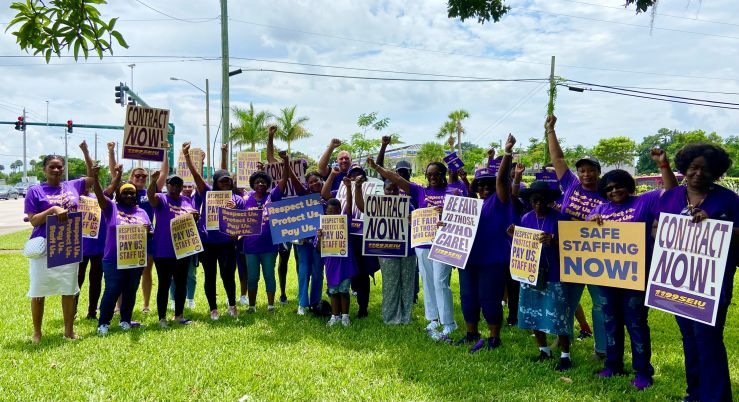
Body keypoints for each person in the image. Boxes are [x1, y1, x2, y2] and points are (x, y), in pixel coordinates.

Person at [651, 143, 738, 401]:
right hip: (678, 283)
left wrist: (716, 227)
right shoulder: (670, 197)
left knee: (708, 340)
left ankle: (716, 397)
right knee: (688, 338)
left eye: (706, 169)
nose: (699, 174)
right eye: (693, 168)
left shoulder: (729, 200)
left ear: (717, 173)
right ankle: (695, 393)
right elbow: (656, 226)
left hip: (713, 283)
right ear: (685, 169)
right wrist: (660, 232)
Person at [588, 148, 677, 390]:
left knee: (636, 324)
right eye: (608, 189)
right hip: (606, 279)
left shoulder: (644, 202)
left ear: (628, 186)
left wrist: (663, 166)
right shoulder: (600, 209)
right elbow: (586, 237)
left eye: (618, 186)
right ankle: (613, 364)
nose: (614, 191)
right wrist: (590, 223)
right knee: (610, 322)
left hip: (636, 279)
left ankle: (643, 372)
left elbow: (672, 193)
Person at [366, 156, 462, 339]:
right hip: (423, 243)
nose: (432, 177)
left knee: (441, 282)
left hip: (444, 242)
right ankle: (433, 318)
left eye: (436, 174)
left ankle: (449, 322)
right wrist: (377, 167)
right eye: (429, 174)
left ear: (443, 174)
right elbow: (397, 179)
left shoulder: (453, 192)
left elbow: (464, 215)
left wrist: (448, 212)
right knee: (427, 281)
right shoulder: (420, 192)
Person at [545, 114, 606, 359]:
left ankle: (602, 348)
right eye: (582, 170)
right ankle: (563, 341)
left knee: (600, 304)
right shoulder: (570, 185)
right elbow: (558, 158)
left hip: (597, 255)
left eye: (591, 171)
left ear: (599, 173)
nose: (586, 174)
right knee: (566, 300)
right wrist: (550, 129)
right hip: (568, 251)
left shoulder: (606, 193)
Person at [452, 136, 515, 351]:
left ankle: (494, 337)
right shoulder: (470, 206)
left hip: (492, 260)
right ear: (477, 188)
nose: (486, 188)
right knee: (468, 297)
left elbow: (501, 180)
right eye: (482, 185)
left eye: (490, 185)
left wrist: (506, 153)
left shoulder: (500, 202)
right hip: (468, 259)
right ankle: (471, 333)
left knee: (490, 299)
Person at [24, 154, 95, 342]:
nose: (56, 170)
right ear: (44, 169)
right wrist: (52, 210)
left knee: (69, 289)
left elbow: (92, 178)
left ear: (63, 169)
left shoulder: (72, 186)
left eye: (59, 167)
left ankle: (69, 331)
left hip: (69, 244)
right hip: (44, 246)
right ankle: (37, 333)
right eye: (52, 167)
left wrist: (86, 153)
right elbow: (33, 221)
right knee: (39, 290)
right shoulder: (35, 191)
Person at [512, 179, 581, 371]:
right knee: (533, 311)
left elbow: (573, 248)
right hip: (531, 273)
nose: (538, 204)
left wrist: (554, 241)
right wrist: (513, 236)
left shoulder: (561, 219)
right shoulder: (526, 218)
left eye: (542, 200)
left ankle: (565, 355)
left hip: (555, 273)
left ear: (550, 200)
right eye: (534, 200)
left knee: (559, 314)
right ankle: (543, 350)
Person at [91, 164, 151, 334]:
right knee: (112, 290)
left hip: (135, 259)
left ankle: (125, 320)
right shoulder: (111, 208)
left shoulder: (141, 213)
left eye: (132, 192)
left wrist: (147, 231)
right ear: (119, 195)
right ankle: (104, 323)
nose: (129, 195)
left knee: (131, 291)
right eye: (125, 192)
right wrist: (95, 178)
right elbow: (101, 196)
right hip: (113, 259)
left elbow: (150, 233)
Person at [185, 143, 242, 320]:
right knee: (209, 276)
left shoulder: (237, 199)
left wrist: (235, 222)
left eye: (228, 180)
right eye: (222, 180)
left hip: (227, 244)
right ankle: (213, 309)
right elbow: (197, 176)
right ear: (216, 183)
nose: (226, 183)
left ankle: (232, 305)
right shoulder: (207, 193)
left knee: (228, 275)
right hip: (208, 243)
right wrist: (188, 157)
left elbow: (242, 224)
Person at [354, 174, 415, 325]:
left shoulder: (407, 204)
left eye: (395, 190)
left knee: (407, 284)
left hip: (408, 250)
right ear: (383, 190)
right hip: (386, 251)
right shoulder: (377, 204)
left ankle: (406, 317)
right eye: (389, 189)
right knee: (390, 284)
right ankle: (391, 318)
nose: (392, 192)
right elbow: (362, 207)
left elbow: (417, 223)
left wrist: (411, 219)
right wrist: (357, 187)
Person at [321, 163, 380, 318]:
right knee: (345, 274)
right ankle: (339, 310)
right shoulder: (339, 192)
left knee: (362, 274)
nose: (355, 178)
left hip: (361, 239)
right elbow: (325, 194)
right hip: (343, 239)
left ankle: (362, 307)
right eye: (352, 175)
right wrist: (333, 175)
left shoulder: (371, 193)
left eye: (359, 174)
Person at [116, 144, 166, 313]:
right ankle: (118, 306)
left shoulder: (149, 192)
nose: (141, 178)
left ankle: (145, 305)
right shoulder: (124, 192)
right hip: (127, 237)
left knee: (146, 271)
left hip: (148, 237)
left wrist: (165, 150)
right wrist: (110, 152)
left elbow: (164, 174)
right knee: (123, 272)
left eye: (144, 176)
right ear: (131, 177)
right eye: (137, 176)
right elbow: (113, 173)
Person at [240, 151, 292, 312]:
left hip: (270, 246)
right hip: (250, 246)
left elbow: (284, 180)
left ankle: (270, 306)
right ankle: (252, 306)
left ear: (267, 184)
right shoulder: (246, 199)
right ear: (253, 184)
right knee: (253, 277)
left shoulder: (273, 196)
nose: (261, 184)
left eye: (263, 182)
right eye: (257, 182)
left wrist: (285, 162)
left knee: (269, 275)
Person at [147, 167, 198, 327]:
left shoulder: (187, 201)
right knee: (164, 284)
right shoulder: (161, 199)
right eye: (172, 184)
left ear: (182, 187)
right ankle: (162, 318)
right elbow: (150, 197)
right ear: (167, 185)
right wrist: (153, 181)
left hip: (183, 249)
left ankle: (179, 315)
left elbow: (191, 219)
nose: (175, 187)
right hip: (163, 250)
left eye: (178, 184)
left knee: (181, 283)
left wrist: (195, 216)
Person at [315, 177, 357, 327]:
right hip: (331, 264)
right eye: (329, 211)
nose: (332, 214)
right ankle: (335, 316)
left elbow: (350, 206)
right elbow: (319, 250)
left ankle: (345, 316)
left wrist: (348, 188)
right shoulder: (321, 227)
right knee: (333, 292)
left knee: (344, 291)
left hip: (345, 264)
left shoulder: (345, 222)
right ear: (325, 212)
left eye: (335, 211)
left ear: (340, 211)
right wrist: (319, 238)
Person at [76, 140, 107, 320]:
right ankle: (72, 310)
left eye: (87, 182)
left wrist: (86, 152)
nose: (85, 185)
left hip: (98, 248)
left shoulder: (98, 198)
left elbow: (92, 174)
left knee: (95, 281)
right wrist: (85, 151)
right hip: (79, 248)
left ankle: (91, 311)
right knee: (77, 281)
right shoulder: (75, 198)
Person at [294, 171, 326, 315]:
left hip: (320, 242)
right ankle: (302, 303)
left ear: (322, 180)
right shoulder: (303, 199)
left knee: (318, 272)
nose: (314, 184)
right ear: (307, 185)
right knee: (304, 272)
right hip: (304, 242)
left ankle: (315, 302)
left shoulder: (327, 197)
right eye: (311, 182)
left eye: (316, 180)